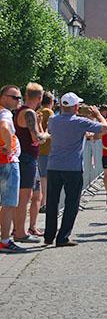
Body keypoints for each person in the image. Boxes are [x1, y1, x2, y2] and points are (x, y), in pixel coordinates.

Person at [44, 92, 107, 247]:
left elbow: (53, 132)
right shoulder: (80, 122)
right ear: (75, 107)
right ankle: (63, 237)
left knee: (52, 202)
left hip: (53, 165)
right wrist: (98, 114)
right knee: (72, 203)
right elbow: (104, 128)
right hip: (72, 167)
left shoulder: (53, 120)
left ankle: (48, 236)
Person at [12, 83, 49, 244]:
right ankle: (19, 232)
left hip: (29, 159)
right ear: (39, 98)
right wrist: (48, 135)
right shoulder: (29, 113)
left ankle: (24, 228)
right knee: (24, 198)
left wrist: (40, 127)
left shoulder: (26, 112)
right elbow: (37, 138)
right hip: (26, 158)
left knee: (35, 195)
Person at [0, 85, 24, 252]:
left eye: (19, 98)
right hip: (8, 162)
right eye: (15, 97)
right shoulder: (5, 113)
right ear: (4, 97)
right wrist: (8, 146)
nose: (18, 101)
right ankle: (5, 240)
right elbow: (4, 127)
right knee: (9, 203)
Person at [37, 92, 55, 216]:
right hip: (47, 149)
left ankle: (42, 202)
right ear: (51, 101)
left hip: (38, 149)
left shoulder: (37, 111)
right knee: (45, 178)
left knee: (42, 177)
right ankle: (44, 203)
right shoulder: (49, 112)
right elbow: (53, 130)